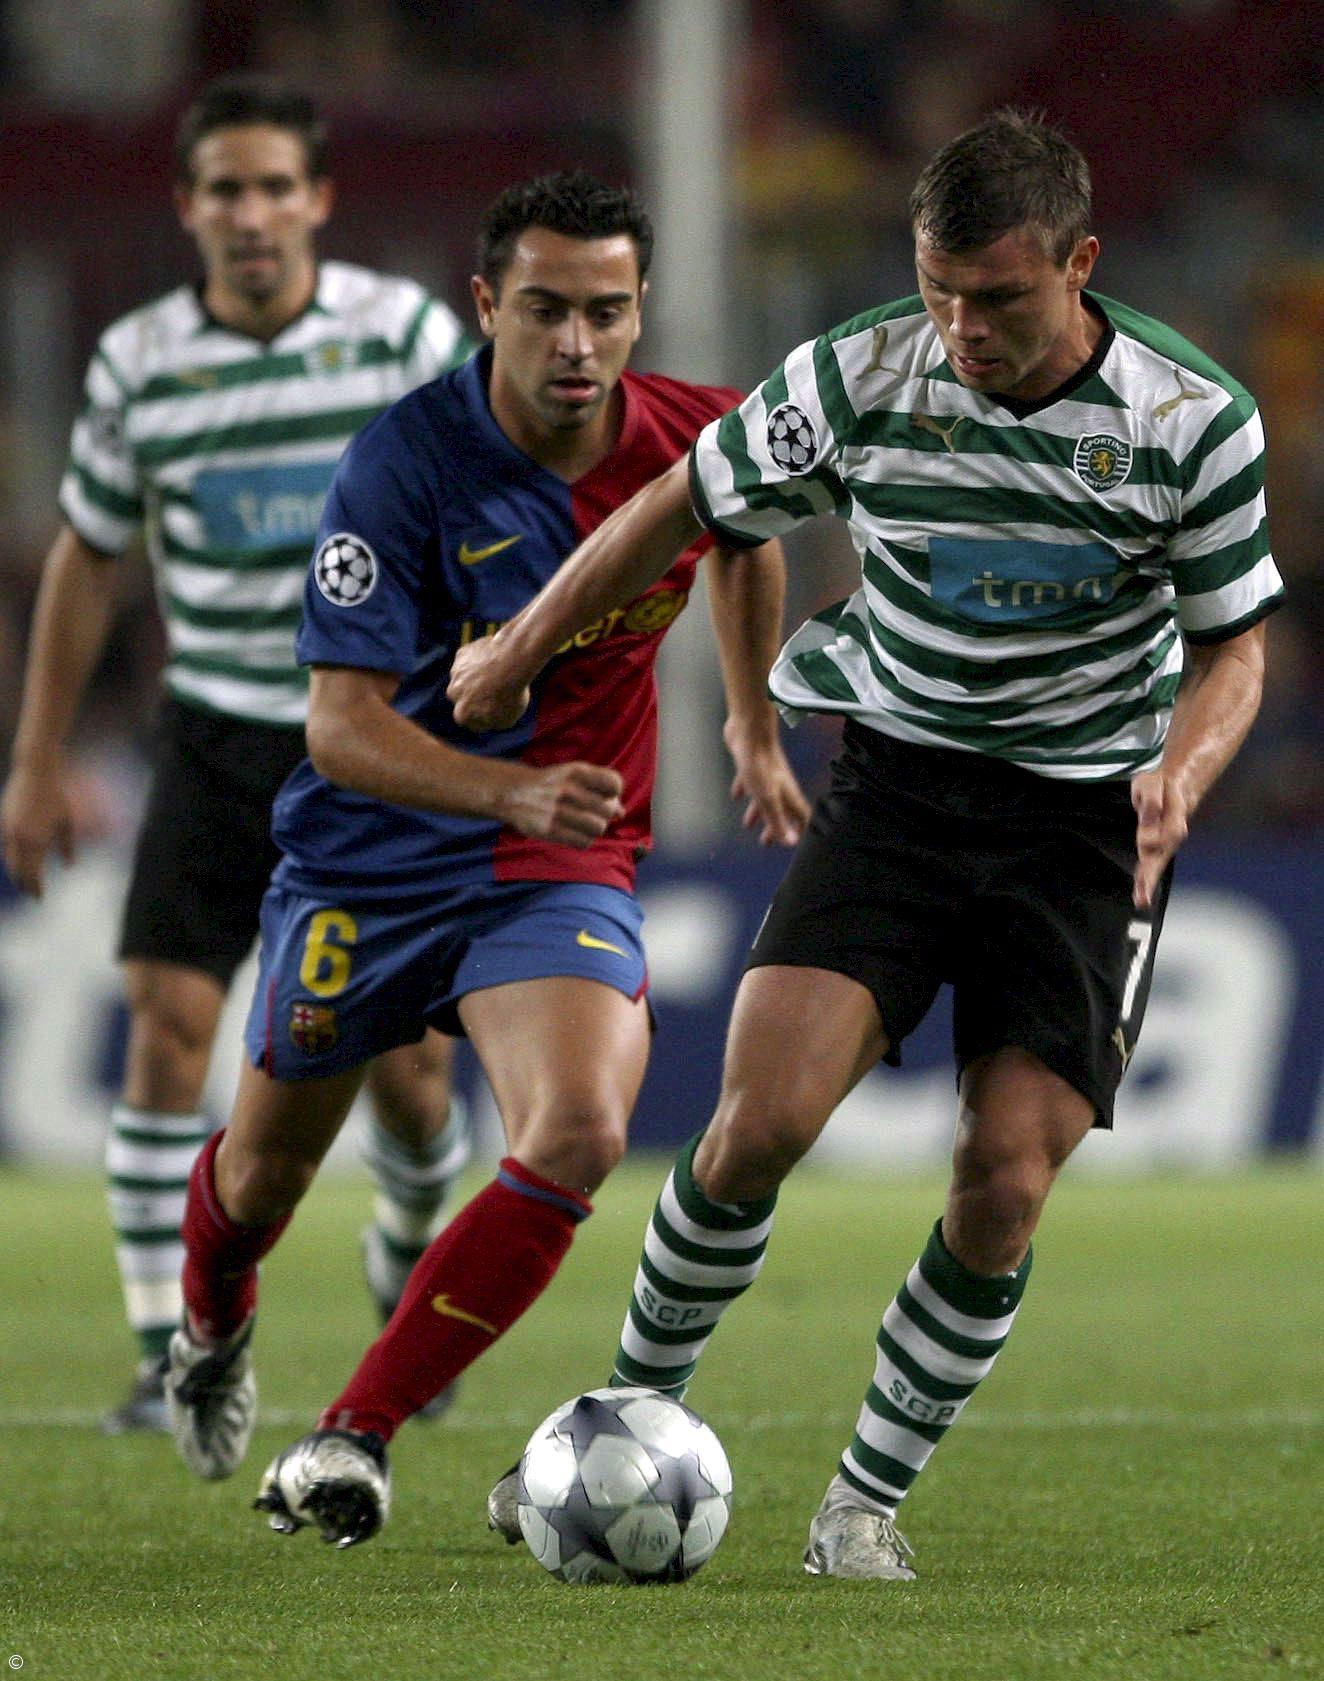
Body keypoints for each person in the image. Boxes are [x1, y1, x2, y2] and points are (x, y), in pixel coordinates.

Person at [449, 110, 1283, 1579]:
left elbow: (1235, 651)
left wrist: (1180, 773)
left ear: (1081, 266)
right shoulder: (859, 372)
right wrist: (520, 644)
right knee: (754, 1124)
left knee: (1007, 1176)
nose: (960, 327)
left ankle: (861, 1506)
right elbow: (681, 505)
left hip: (1087, 822)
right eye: (939, 288)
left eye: (1001, 299)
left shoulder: (1193, 421)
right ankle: (620, 1420)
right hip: (900, 786)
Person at [161, 170, 808, 1535]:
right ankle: (211, 1325)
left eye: (606, 312)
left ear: (641, 313)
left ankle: (354, 1433)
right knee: (259, 1179)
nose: (576, 343)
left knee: (576, 1128)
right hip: (369, 863)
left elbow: (744, 537)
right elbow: (338, 731)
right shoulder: (401, 467)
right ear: (485, 306)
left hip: (555, 867)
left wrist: (750, 715)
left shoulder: (700, 434)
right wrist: (504, 791)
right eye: (545, 310)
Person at [0, 74, 474, 1434]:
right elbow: (88, 558)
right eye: (227, 189)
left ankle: (404, 1274)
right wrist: (35, 759)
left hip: (381, 737)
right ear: (189, 207)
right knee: (166, 1028)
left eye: (277, 187)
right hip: (214, 731)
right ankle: (168, 1347)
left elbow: (487, 501)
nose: (253, 214)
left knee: (413, 1064)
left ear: (318, 199)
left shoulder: (402, 334)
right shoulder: (139, 361)